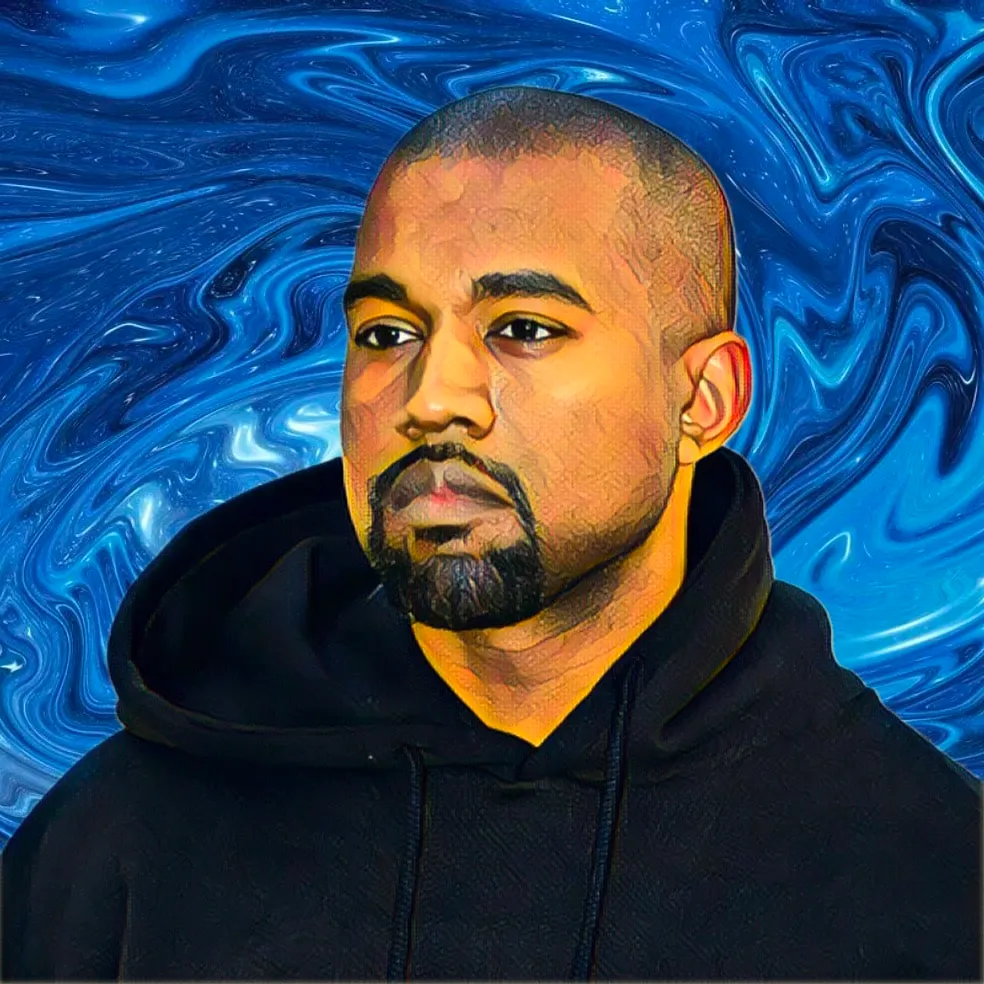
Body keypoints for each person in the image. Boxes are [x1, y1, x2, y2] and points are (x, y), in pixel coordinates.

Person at [1, 86, 980, 982]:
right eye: (387, 334)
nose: (432, 399)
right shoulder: (123, 841)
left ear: (703, 399)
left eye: (524, 328)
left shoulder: (929, 872)